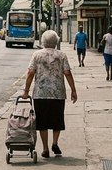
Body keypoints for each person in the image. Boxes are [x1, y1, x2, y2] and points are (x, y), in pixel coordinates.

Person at [21, 30, 77, 158]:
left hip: (40, 93)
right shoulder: (61, 55)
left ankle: (45, 148)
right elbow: (67, 73)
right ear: (56, 42)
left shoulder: (37, 55)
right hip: (58, 93)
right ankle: (55, 142)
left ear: (43, 41)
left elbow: (30, 73)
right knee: (57, 119)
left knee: (42, 121)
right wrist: (73, 90)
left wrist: (26, 90)